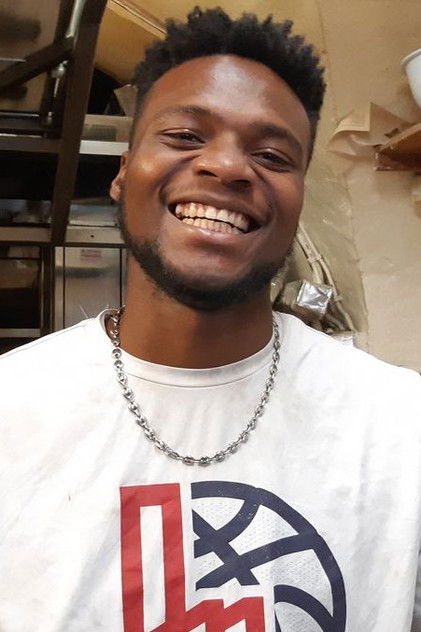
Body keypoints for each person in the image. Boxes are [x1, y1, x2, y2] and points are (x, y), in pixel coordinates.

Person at [1, 7, 420, 632]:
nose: (226, 167)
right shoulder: (11, 410)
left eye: (272, 155)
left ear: (299, 198)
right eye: (185, 136)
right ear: (123, 174)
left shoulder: (401, 426)